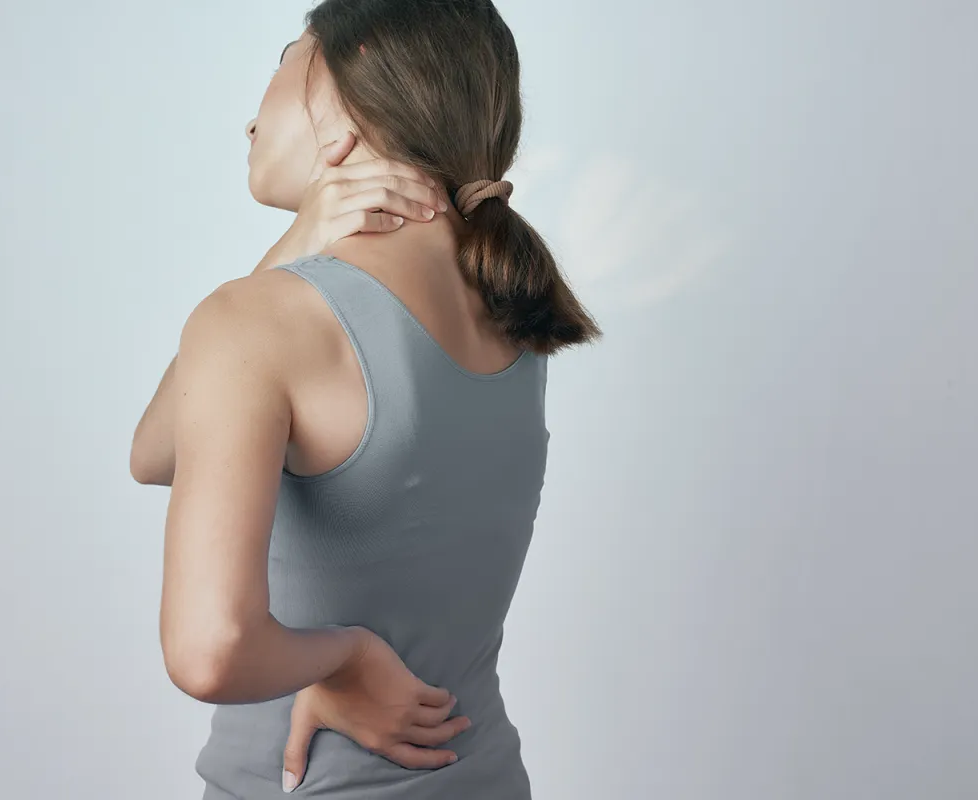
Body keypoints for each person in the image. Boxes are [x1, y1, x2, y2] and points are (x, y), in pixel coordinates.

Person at [129, 1, 600, 797]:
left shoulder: (255, 321)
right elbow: (154, 454)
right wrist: (292, 249)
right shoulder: (512, 305)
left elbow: (210, 652)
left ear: (346, 93)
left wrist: (345, 658)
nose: (251, 120)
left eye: (285, 60)